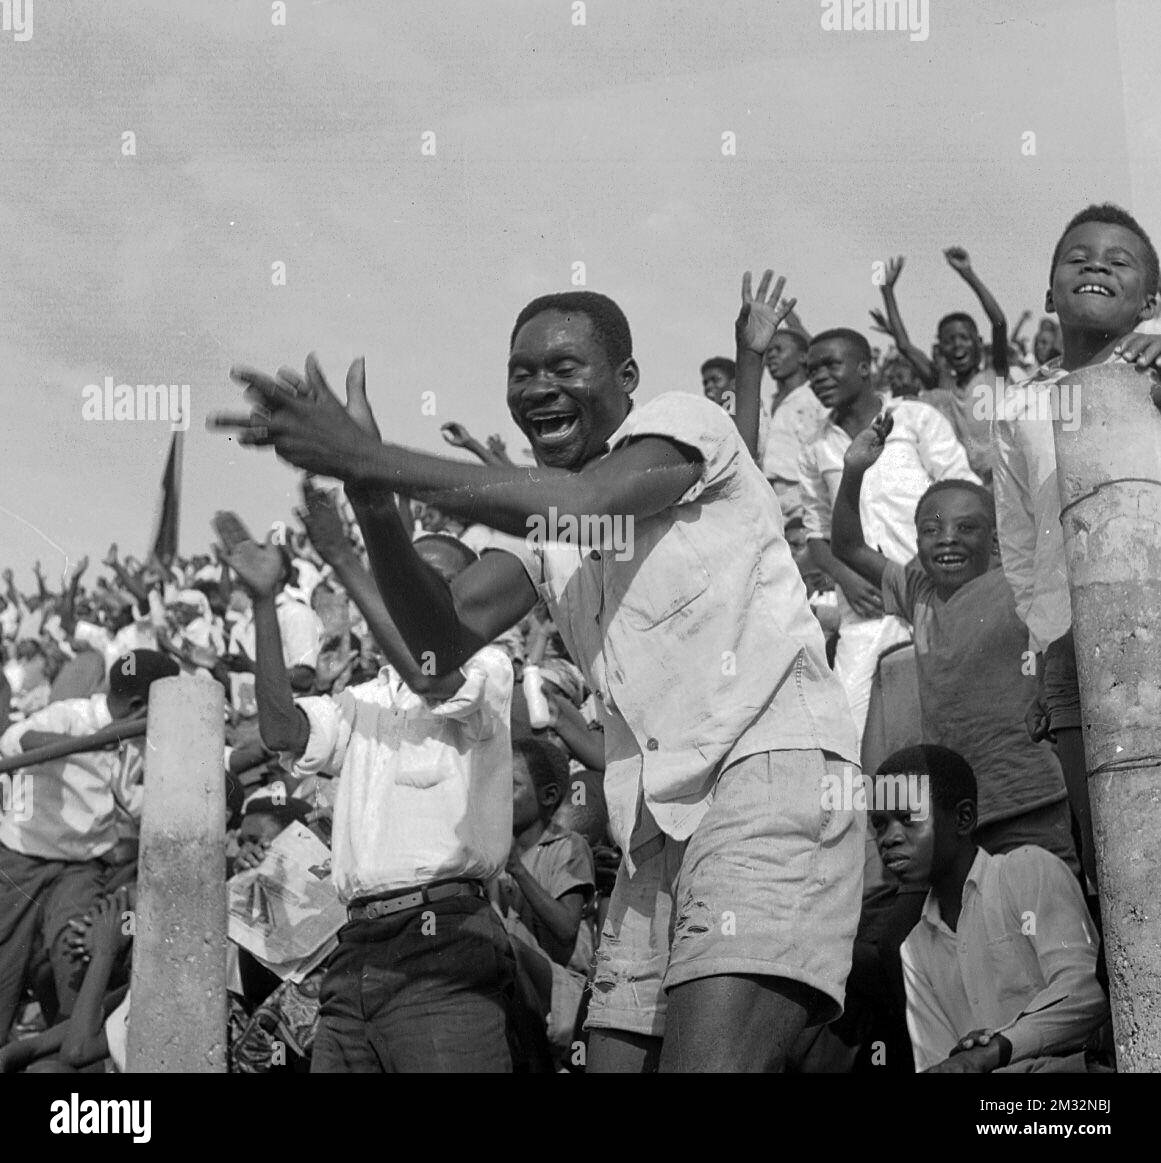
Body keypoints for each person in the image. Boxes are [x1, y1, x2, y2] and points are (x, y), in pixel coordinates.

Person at [212, 283, 864, 1074]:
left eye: (563, 365)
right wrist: (371, 495)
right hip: (656, 826)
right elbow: (433, 650)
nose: (537, 388)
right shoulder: (542, 539)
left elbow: (583, 503)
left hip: (769, 780)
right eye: (520, 372)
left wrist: (364, 453)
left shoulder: (686, 425)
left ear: (626, 378)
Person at [216, 492, 516, 1073]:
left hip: (443, 944)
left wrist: (343, 555)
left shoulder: (489, 667)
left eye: (428, 580)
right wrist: (263, 604)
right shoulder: (363, 699)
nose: (408, 588)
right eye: (401, 574)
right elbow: (282, 732)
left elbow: (432, 677)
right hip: (354, 950)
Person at [992, 203, 1161, 888]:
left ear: (1148, 300)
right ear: (1048, 292)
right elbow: (1021, 550)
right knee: (1111, 855)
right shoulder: (1020, 411)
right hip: (1072, 650)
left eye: (1118, 261)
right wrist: (1039, 653)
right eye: (1078, 257)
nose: (1095, 264)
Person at [831, 419, 1077, 869]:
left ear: (996, 538)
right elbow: (846, 547)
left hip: (1033, 797)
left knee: (1048, 912)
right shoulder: (918, 592)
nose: (947, 539)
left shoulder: (1017, 584)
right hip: (960, 816)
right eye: (932, 529)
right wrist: (853, 472)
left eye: (968, 528)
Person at [798, 327, 978, 746]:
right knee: (846, 730)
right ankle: (862, 812)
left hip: (935, 597)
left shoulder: (915, 420)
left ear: (864, 368)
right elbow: (816, 534)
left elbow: (964, 495)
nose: (819, 377)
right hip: (866, 610)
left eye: (830, 364)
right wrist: (845, 577)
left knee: (947, 718)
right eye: (812, 370)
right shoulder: (816, 449)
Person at [0, 649, 179, 1043]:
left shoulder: (137, 743)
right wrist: (90, 743)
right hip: (22, 860)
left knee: (79, 956)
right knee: (4, 964)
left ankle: (70, 1058)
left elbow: (133, 800)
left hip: (80, 867)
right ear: (139, 706)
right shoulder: (71, 714)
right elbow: (18, 739)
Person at [895, 745, 1109, 1073]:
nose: (889, 838)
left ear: (963, 818)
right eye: (878, 825)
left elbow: (1087, 990)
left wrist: (996, 1048)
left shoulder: (1028, 870)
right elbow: (941, 1066)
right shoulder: (914, 949)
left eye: (907, 819)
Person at [496, 735, 595, 1062]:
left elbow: (566, 930)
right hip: (517, 989)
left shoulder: (569, 847)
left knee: (503, 945)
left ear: (548, 795)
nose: (498, 796)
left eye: (512, 786)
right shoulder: (493, 852)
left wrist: (517, 870)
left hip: (563, 993)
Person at [875, 249, 1010, 482]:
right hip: (965, 483)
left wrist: (968, 274)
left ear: (979, 343)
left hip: (1002, 480)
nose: (957, 346)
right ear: (941, 349)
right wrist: (887, 292)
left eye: (964, 338)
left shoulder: (995, 373)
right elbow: (905, 346)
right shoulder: (942, 385)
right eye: (948, 341)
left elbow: (999, 323)